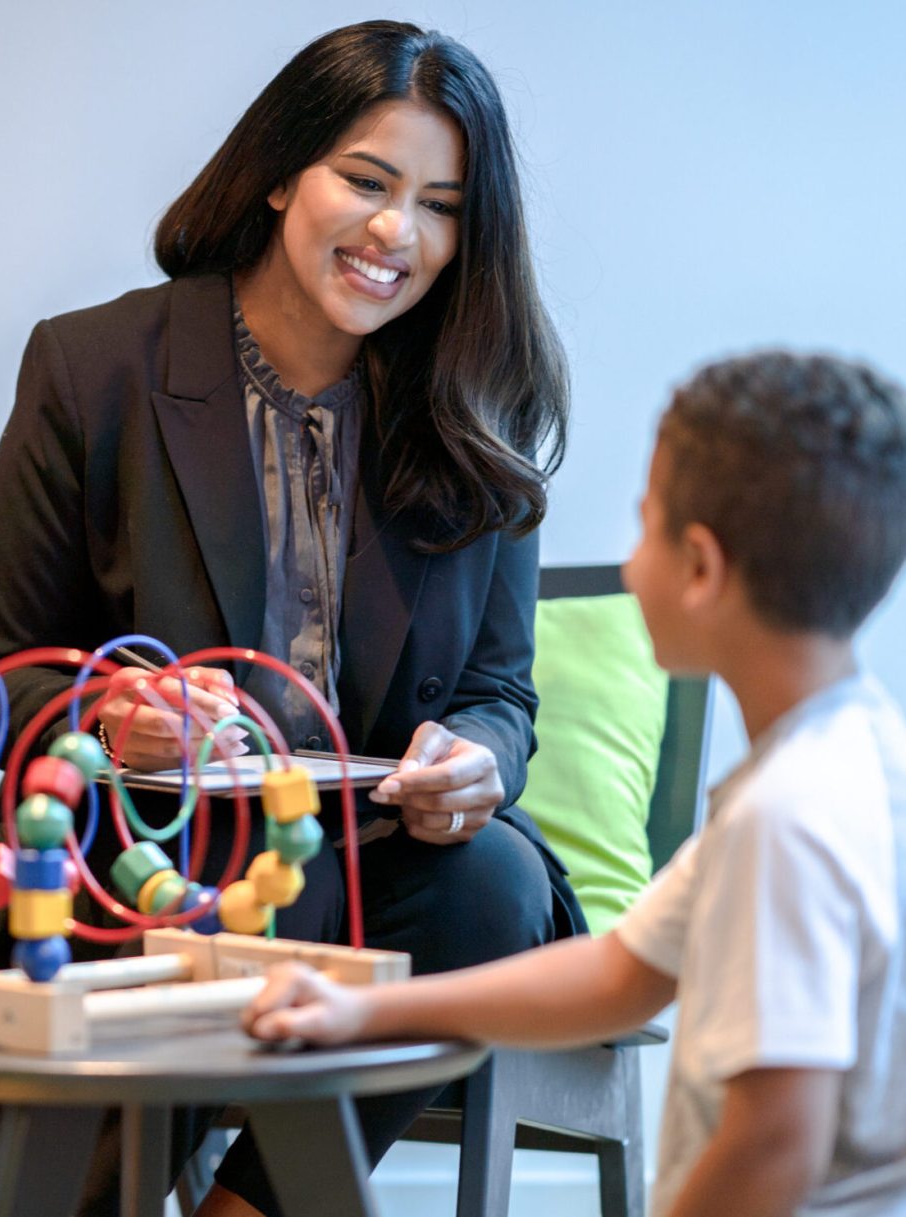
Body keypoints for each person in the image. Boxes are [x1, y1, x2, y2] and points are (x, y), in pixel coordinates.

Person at [0, 18, 587, 1217]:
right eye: (366, 180)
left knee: (494, 882)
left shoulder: (473, 413)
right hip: (152, 848)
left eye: (439, 204)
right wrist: (110, 717)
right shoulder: (94, 369)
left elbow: (501, 696)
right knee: (243, 891)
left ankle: (247, 1207)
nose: (397, 233)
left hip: (380, 863)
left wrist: (477, 762)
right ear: (282, 169)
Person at [246, 351, 906, 1217]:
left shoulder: (786, 817)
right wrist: (361, 1010)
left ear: (699, 568)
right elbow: (620, 974)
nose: (630, 567)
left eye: (645, 528)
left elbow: (775, 1138)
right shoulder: (854, 760)